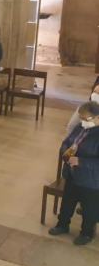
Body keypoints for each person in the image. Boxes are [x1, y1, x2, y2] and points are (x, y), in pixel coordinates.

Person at [48, 102, 99, 246]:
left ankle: (86, 233)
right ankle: (62, 224)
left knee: (89, 208)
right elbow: (66, 142)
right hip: (72, 175)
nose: (83, 122)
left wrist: (81, 161)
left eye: (86, 119)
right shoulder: (80, 127)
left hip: (91, 181)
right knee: (67, 202)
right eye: (81, 118)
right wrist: (66, 151)